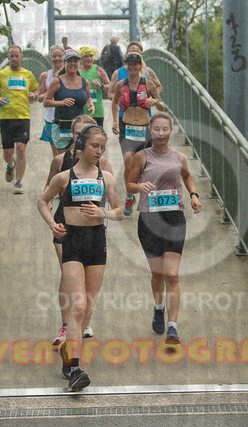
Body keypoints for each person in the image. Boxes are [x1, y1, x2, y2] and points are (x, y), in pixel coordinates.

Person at [38, 124, 122, 392]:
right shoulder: (63, 177)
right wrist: (52, 224)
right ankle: (73, 367)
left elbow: (119, 211)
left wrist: (103, 214)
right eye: (95, 146)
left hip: (97, 243)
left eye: (102, 147)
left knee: (88, 309)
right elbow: (42, 201)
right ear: (82, 145)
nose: (99, 151)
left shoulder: (106, 178)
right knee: (77, 306)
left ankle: (69, 354)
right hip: (72, 242)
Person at [126, 112, 201, 344]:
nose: (160, 134)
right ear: (151, 131)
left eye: (165, 129)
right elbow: (129, 185)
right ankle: (158, 308)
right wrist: (139, 186)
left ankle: (172, 327)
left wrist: (194, 194)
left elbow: (187, 176)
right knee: (158, 274)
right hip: (149, 220)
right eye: (156, 129)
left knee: (172, 275)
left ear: (171, 131)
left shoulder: (179, 157)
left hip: (174, 218)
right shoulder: (141, 157)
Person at [44, 115, 114, 346]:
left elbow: (112, 197)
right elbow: (47, 189)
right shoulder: (60, 160)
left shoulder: (103, 165)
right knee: (69, 274)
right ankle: (67, 326)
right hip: (65, 227)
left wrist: (102, 212)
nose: (80, 139)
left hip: (92, 229)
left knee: (85, 283)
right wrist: (50, 207)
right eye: (77, 135)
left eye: (85, 134)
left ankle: (81, 319)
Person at [112, 51, 165, 215]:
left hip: (144, 128)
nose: (132, 67)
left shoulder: (148, 84)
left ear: (140, 65)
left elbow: (162, 106)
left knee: (145, 165)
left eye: (135, 64)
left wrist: (155, 102)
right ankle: (129, 196)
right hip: (127, 128)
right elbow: (114, 102)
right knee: (128, 161)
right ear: (126, 65)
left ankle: (146, 196)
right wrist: (114, 121)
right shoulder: (121, 84)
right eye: (129, 64)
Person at [0, 45, 39, 194]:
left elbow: (37, 89)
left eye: (17, 56)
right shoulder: (2, 74)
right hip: (6, 117)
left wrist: (34, 95)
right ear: (7, 58)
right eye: (12, 56)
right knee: (8, 153)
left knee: (21, 150)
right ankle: (10, 165)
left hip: (23, 117)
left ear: (22, 57)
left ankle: (18, 182)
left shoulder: (28, 74)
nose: (14, 58)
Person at [43, 49, 95, 154]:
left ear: (79, 64)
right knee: (63, 158)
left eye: (75, 61)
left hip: (78, 126)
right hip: (62, 126)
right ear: (64, 63)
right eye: (69, 61)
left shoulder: (84, 82)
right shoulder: (57, 81)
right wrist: (61, 103)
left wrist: (91, 105)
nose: (72, 64)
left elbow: (88, 98)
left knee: (77, 156)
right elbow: (46, 102)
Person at [37, 45, 65, 158]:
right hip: (51, 118)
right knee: (57, 155)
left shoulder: (71, 73)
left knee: (69, 153)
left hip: (68, 117)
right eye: (54, 56)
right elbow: (39, 98)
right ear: (50, 58)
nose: (57, 59)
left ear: (64, 57)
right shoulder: (45, 76)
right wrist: (50, 93)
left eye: (59, 56)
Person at [79, 46, 111, 128]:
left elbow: (110, 86)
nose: (89, 59)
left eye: (91, 56)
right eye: (86, 57)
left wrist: (100, 85)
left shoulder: (98, 69)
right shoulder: (77, 71)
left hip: (97, 111)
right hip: (81, 111)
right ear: (81, 59)